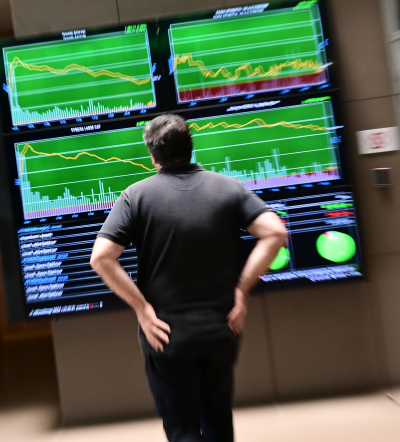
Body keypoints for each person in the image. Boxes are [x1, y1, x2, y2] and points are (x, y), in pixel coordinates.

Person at [90, 113, 288, 442]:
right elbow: (275, 232)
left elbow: (101, 258)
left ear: (153, 156)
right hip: (222, 328)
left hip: (165, 336)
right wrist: (241, 291)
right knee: (218, 419)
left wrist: (142, 308)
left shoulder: (136, 196)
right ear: (190, 147)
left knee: (182, 429)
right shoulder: (229, 187)